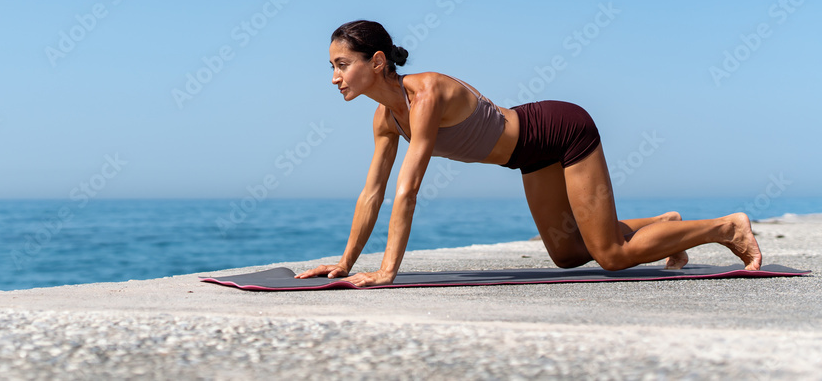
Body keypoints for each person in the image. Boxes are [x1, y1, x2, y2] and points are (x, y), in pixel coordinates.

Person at [296, 20, 762, 287]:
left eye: (342, 65)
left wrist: (387, 272)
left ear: (376, 62)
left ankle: (726, 227)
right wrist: (346, 263)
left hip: (559, 130)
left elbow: (408, 190)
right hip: (528, 156)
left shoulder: (427, 94)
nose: (334, 77)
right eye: (332, 67)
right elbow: (372, 193)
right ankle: (668, 227)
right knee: (566, 253)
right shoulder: (384, 120)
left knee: (612, 256)